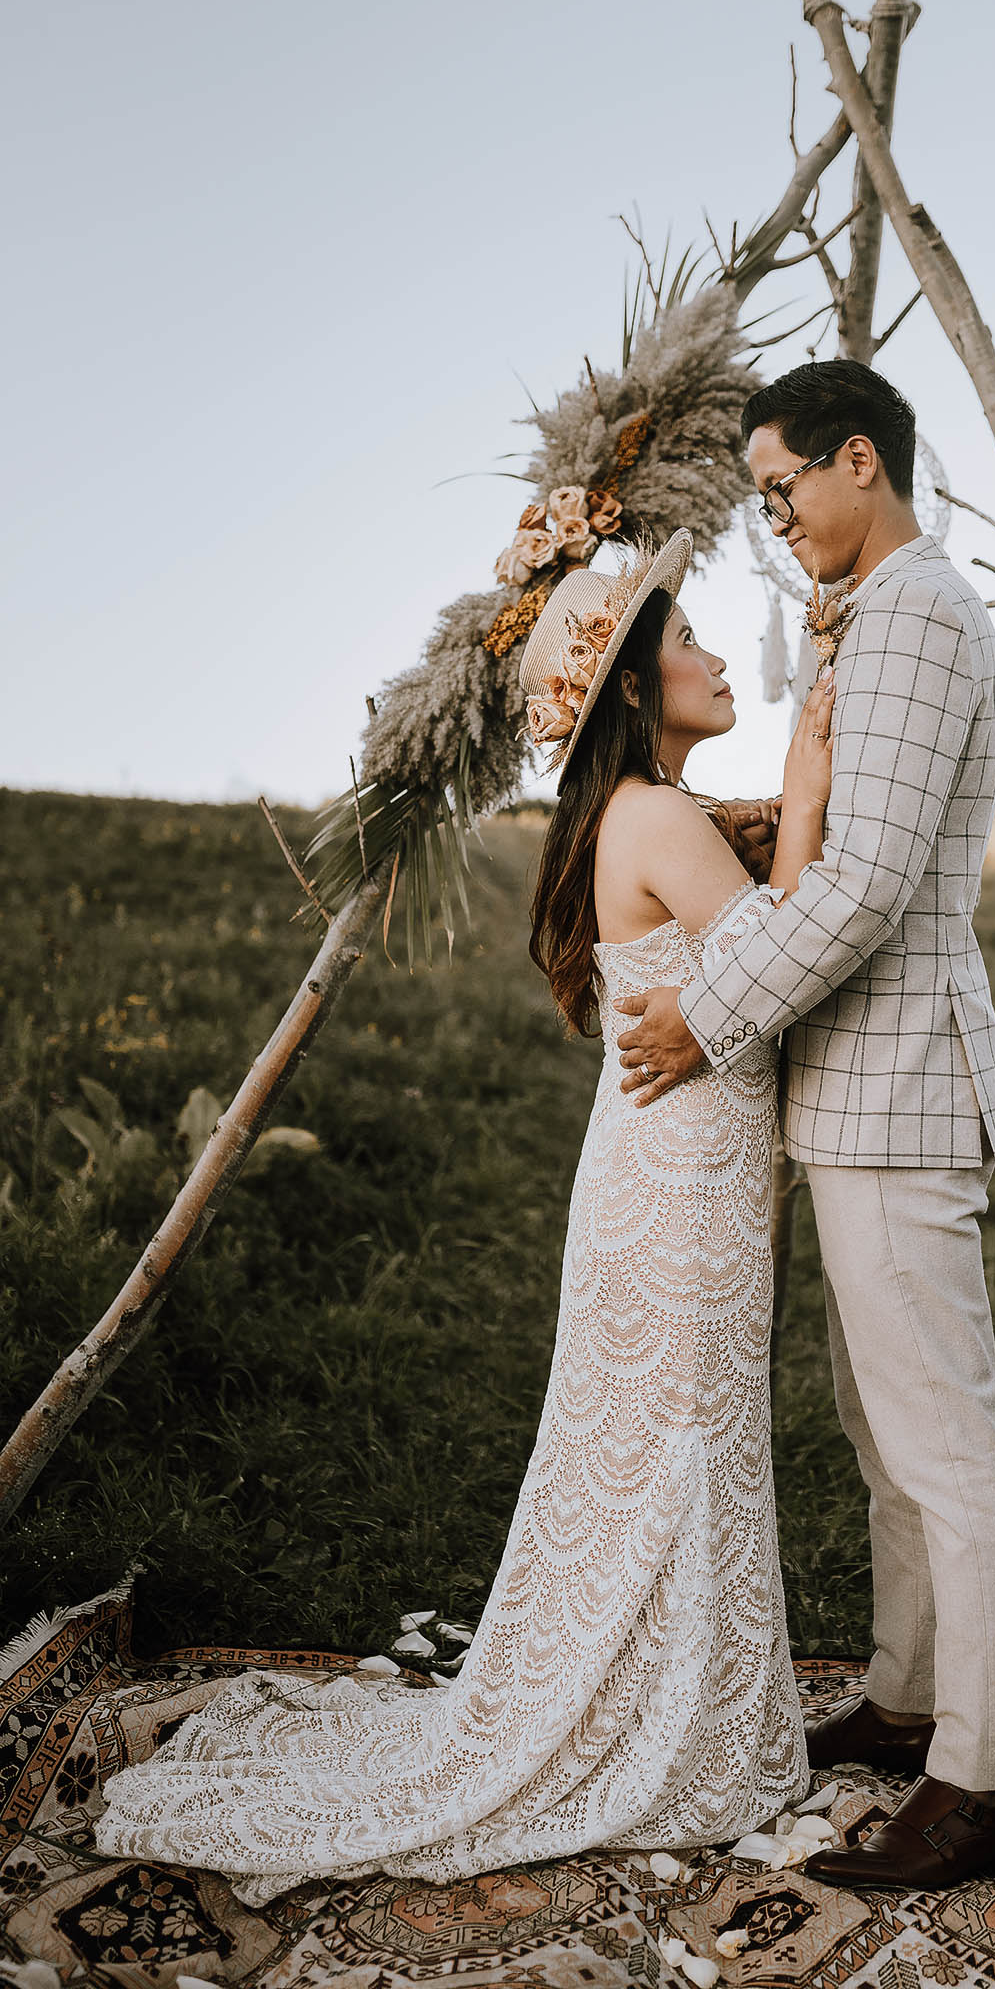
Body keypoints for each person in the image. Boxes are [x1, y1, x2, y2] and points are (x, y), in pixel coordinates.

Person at [93, 530, 834, 1904]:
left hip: (671, 1166)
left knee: (677, 1434)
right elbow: (780, 962)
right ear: (628, 689)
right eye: (687, 644)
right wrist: (805, 783)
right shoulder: (655, 816)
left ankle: (673, 1708)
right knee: (679, 1434)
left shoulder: (645, 811)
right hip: (676, 1183)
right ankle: (664, 1733)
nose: (722, 657)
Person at [616, 361, 995, 1890]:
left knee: (943, 1438)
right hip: (859, 1087)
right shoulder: (873, 617)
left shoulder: (921, 615)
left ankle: (985, 1783)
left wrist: (710, 1012)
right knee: (889, 1432)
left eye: (784, 483)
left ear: (860, 460)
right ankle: (910, 1692)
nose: (774, 514)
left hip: (899, 1088)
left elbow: (863, 887)